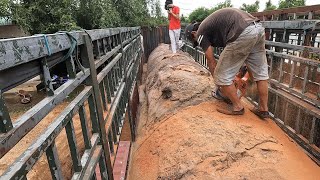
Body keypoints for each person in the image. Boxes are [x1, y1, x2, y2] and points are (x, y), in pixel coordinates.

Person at [185, 8, 270, 119]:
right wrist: (235, 75)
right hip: (257, 28)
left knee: (220, 76)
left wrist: (218, 83)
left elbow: (210, 60)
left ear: (193, 34)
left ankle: (238, 107)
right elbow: (237, 55)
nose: (199, 43)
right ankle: (263, 109)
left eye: (196, 41)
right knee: (260, 74)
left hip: (243, 31)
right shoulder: (214, 25)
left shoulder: (200, 32)